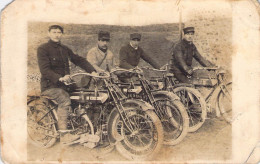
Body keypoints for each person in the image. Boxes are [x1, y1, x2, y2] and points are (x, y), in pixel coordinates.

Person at [37, 25, 96, 143]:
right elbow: (45, 70)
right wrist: (60, 78)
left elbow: (78, 60)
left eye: (59, 32)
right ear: (49, 33)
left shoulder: (64, 49)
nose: (57, 35)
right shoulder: (43, 49)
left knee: (84, 95)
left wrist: (92, 71)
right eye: (54, 32)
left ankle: (80, 125)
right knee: (64, 99)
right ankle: (64, 135)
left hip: (65, 85)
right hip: (50, 86)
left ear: (62, 34)